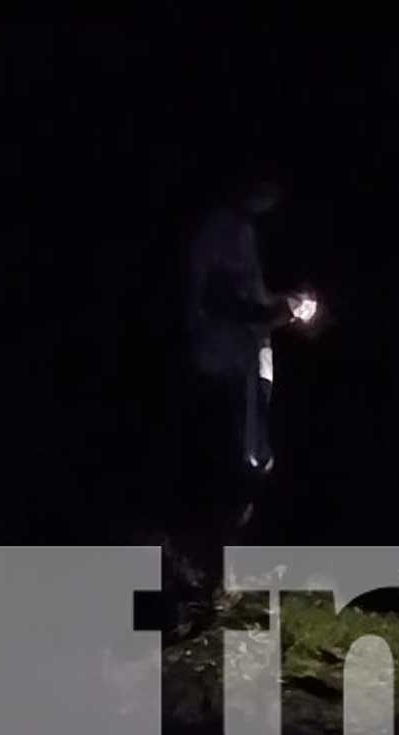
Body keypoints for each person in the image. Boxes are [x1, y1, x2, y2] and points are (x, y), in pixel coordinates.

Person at [174, 168, 316, 603]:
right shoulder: (221, 229)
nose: (272, 197)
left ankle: (222, 575)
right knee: (236, 466)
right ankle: (211, 575)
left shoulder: (242, 230)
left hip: (247, 362)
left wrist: (281, 307)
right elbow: (218, 299)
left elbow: (243, 296)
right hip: (227, 363)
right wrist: (277, 314)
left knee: (251, 465)